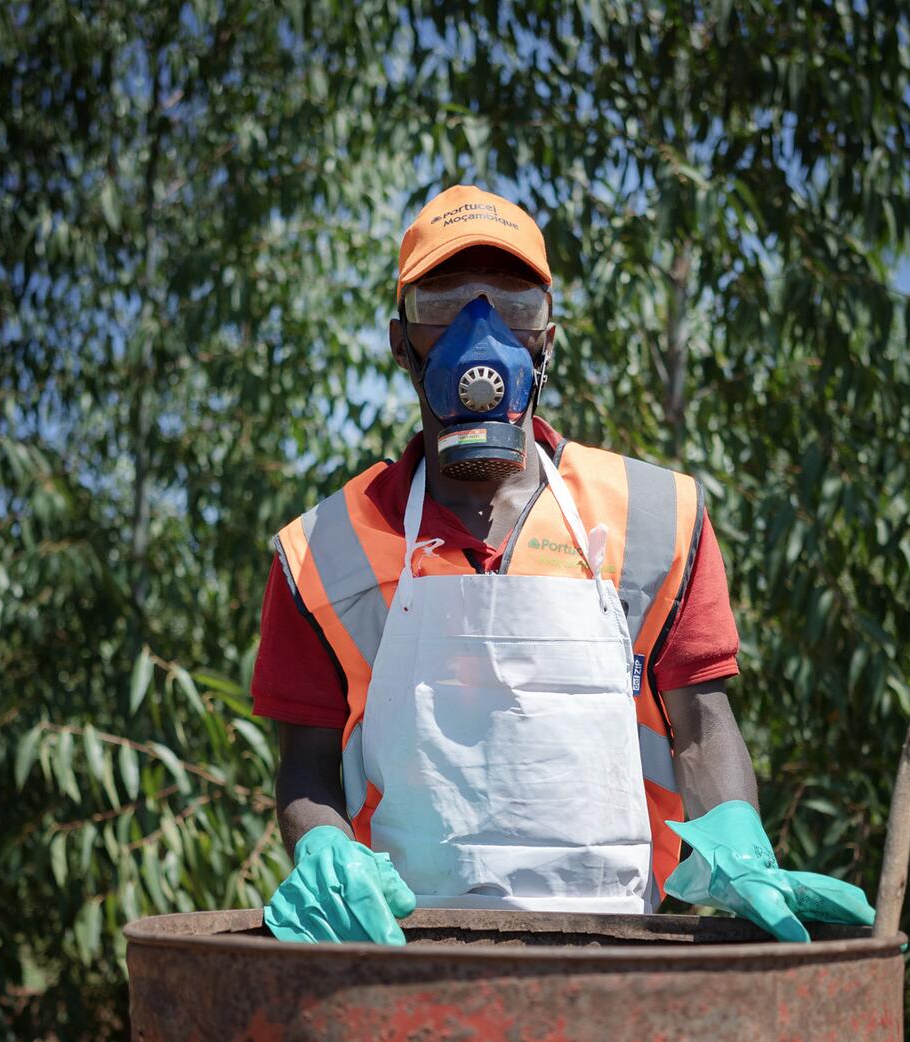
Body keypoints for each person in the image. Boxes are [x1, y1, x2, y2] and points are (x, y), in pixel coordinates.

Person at [249, 184, 871, 945]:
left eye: (513, 303)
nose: (481, 336)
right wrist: (321, 847)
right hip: (399, 956)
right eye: (444, 301)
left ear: (546, 339)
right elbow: (305, 763)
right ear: (400, 340)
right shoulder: (323, 551)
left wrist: (737, 837)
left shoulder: (653, 519)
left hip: (617, 949)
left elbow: (701, 728)